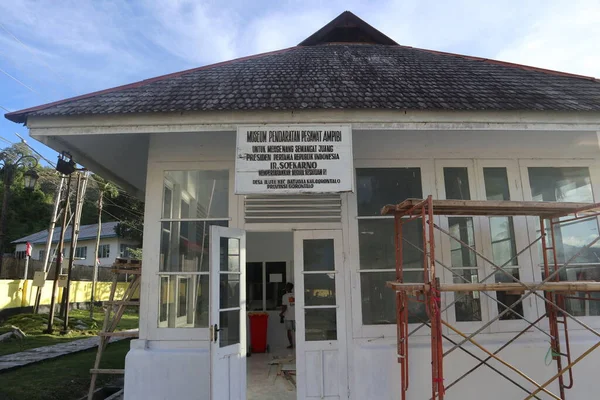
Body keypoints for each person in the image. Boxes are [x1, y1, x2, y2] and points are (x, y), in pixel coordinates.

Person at [280, 282, 295, 349]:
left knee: (289, 331)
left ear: (287, 288)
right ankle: (299, 343)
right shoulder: (296, 294)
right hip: (296, 316)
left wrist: (281, 313)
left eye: (286, 287)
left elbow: (284, 307)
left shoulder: (285, 296)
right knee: (297, 331)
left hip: (288, 316)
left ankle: (291, 344)